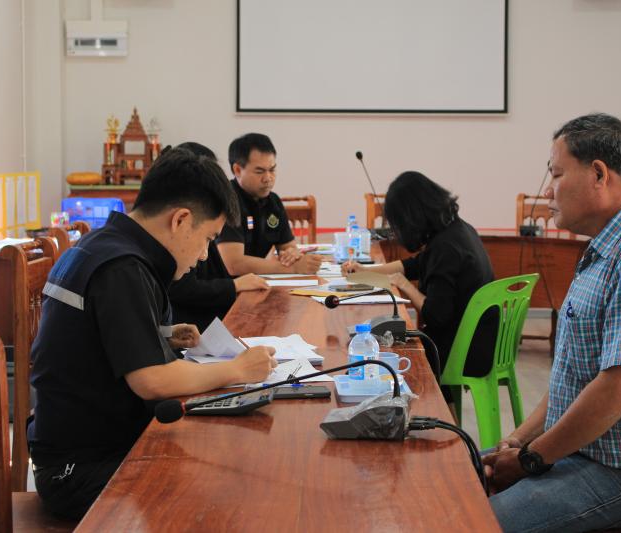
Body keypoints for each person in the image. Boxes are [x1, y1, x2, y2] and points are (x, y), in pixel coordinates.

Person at [483, 113, 621, 532]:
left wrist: (531, 459)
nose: (548, 190)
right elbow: (574, 379)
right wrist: (518, 440)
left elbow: (617, 388)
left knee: (475, 521)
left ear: (599, 174)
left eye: (556, 174)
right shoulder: (607, 248)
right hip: (586, 452)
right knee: (455, 477)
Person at [27, 147, 278, 520]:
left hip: (92, 446)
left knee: (230, 466)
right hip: (81, 469)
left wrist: (161, 335)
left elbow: (94, 339)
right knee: (230, 490)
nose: (205, 255)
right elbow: (151, 380)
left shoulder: (106, 245)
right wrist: (238, 369)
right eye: (208, 238)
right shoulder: (122, 268)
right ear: (181, 220)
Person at [343, 171, 497, 409]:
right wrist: (366, 271)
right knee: (396, 339)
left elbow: (436, 315)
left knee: (396, 353)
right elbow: (415, 265)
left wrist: (404, 285)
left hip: (463, 350)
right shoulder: (457, 230)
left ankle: (429, 415)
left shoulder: (446, 247)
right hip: (477, 341)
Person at [167, 142, 268, 331]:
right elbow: (182, 288)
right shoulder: (179, 229)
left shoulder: (205, 218)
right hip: (199, 327)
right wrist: (233, 285)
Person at [216, 133, 322, 275]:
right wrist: (293, 268)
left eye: (272, 170)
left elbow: (289, 247)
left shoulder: (273, 202)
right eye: (259, 171)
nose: (268, 178)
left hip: (255, 282)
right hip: (224, 284)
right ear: (237, 170)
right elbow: (233, 264)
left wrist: (292, 255)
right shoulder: (226, 200)